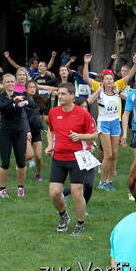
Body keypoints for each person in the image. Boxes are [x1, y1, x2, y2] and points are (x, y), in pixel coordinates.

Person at [46, 83, 99, 234]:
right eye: (58, 94)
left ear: (72, 96)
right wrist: (50, 145)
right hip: (58, 158)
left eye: (63, 94)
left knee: (77, 193)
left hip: (77, 157)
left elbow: (94, 135)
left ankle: (80, 224)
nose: (59, 96)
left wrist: (80, 136)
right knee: (54, 192)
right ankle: (64, 216)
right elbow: (50, 130)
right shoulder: (53, 112)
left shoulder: (83, 114)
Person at [0, 73, 30, 198]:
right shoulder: (1, 97)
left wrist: (23, 102)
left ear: (15, 83)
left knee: (21, 161)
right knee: (5, 162)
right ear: (3, 84)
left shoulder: (19, 96)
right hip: (4, 131)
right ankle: (2, 189)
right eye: (7, 82)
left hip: (19, 132)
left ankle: (20, 188)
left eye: (11, 82)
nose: (10, 84)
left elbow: (28, 108)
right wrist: (12, 102)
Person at [89, 71, 123, 190]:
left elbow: (128, 99)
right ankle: (101, 182)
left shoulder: (115, 92)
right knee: (107, 155)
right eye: (107, 79)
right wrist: (98, 91)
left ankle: (110, 180)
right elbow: (89, 100)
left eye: (111, 79)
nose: (109, 81)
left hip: (115, 122)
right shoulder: (100, 92)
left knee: (114, 154)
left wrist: (119, 93)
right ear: (103, 81)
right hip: (104, 123)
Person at [23, 80, 47, 182]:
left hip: (37, 132)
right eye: (30, 87)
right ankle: (20, 161)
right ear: (26, 89)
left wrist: (42, 126)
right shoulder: (22, 100)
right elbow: (22, 117)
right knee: (29, 155)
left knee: (38, 157)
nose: (33, 89)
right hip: (26, 131)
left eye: (34, 87)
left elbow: (40, 116)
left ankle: (38, 174)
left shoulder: (39, 100)